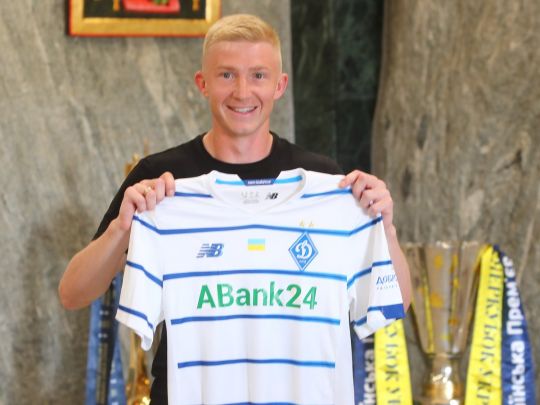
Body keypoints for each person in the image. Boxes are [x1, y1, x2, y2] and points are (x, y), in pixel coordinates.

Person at [58, 13, 411, 404]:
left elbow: (396, 302)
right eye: (227, 75)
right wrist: (121, 228)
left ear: (280, 86)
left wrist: (385, 229)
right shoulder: (161, 184)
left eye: (258, 75)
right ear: (202, 84)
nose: (243, 92)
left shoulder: (327, 184)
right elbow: (73, 294)